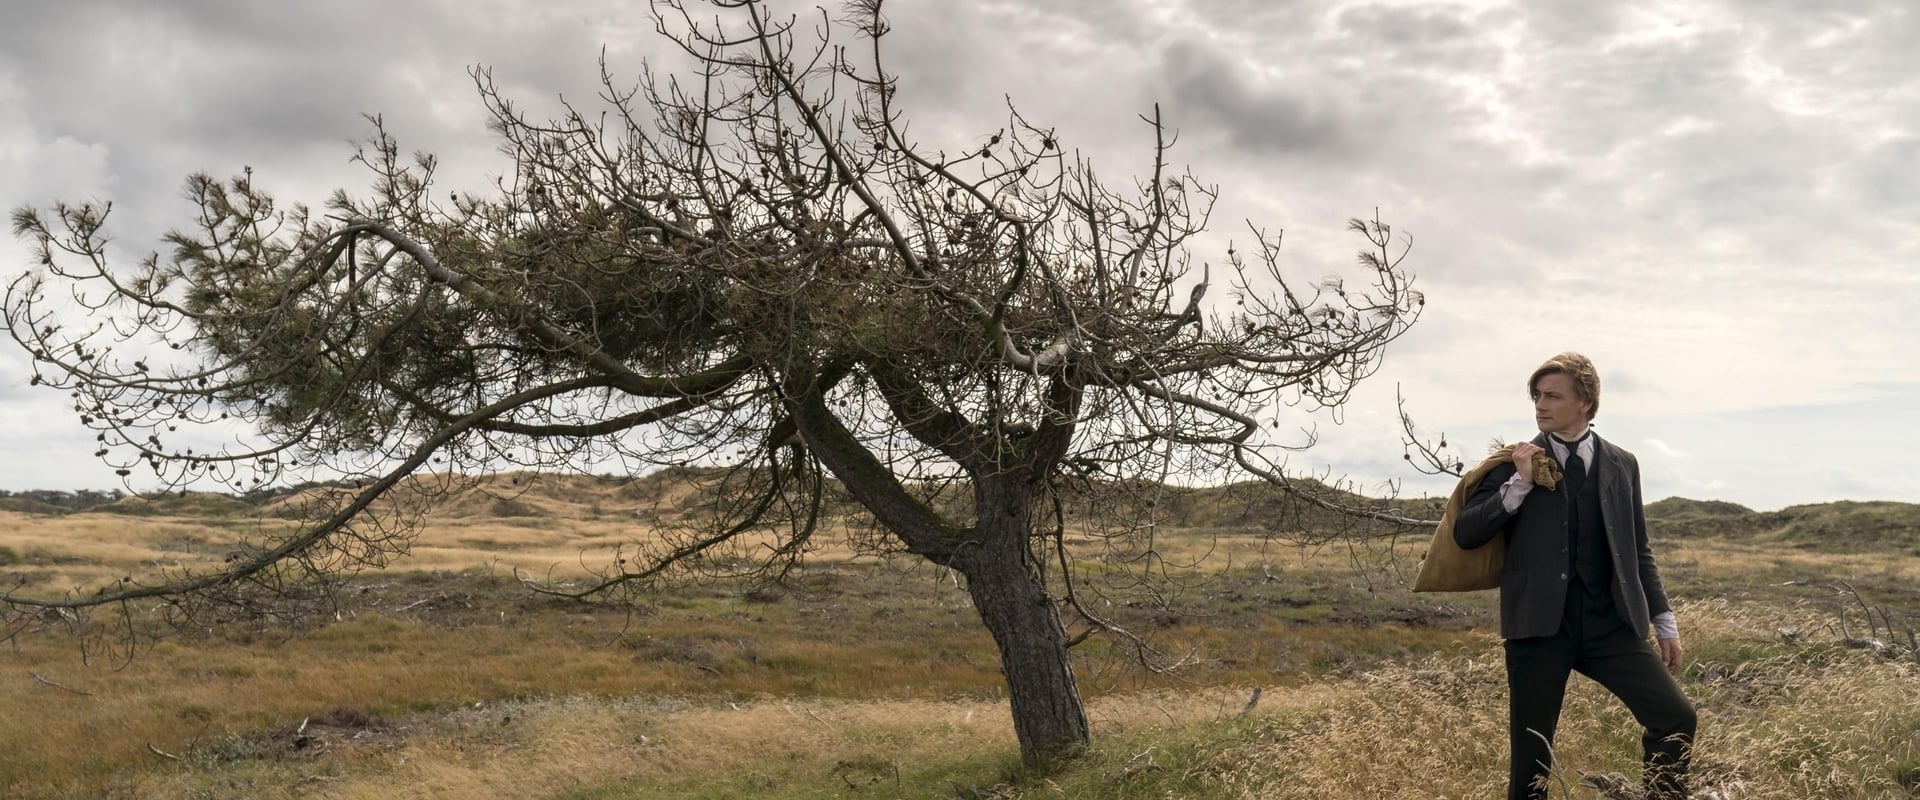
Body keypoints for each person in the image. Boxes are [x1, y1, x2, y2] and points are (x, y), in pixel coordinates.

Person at [1454, 352, 1696, 799]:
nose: (1540, 405)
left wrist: (1664, 621)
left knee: (1676, 717)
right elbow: (1466, 532)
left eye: (1552, 396)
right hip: (1539, 628)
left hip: (1611, 623)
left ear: (1585, 401)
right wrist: (1520, 485)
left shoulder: (1623, 463)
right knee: (1531, 760)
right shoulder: (1512, 463)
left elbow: (1638, 548)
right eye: (1536, 396)